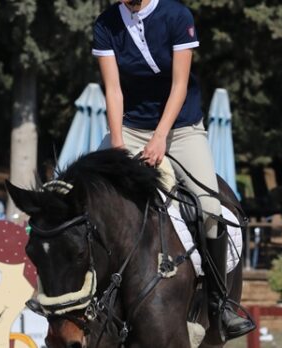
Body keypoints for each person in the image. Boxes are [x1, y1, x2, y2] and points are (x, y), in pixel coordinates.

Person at [92, 0, 254, 339]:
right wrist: (119, 144)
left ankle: (219, 304)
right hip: (130, 129)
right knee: (92, 201)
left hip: (181, 128)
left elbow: (179, 86)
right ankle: (85, 302)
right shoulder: (106, 24)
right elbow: (114, 89)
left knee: (209, 208)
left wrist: (161, 137)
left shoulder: (177, 16)